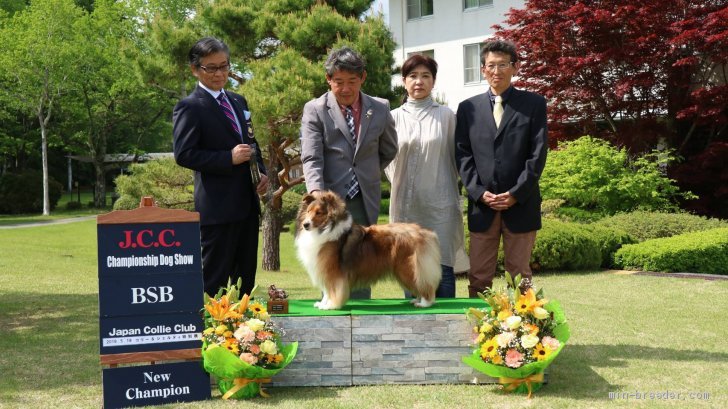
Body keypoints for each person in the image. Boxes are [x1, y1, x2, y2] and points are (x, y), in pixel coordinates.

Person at [300, 46, 398, 299]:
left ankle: (361, 319)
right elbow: (311, 156)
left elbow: (389, 149)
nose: (345, 88)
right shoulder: (316, 109)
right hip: (329, 204)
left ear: (362, 77)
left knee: (361, 263)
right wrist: (317, 195)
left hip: (365, 199)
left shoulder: (380, 108)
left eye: (352, 81)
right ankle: (333, 310)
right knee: (330, 262)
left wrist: (367, 174)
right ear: (328, 79)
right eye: (339, 82)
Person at [173, 37, 268, 297]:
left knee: (246, 283)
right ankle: (210, 336)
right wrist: (227, 158)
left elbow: (251, 143)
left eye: (224, 66)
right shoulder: (189, 107)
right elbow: (184, 154)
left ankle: (247, 336)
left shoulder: (239, 101)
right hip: (217, 210)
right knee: (213, 283)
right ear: (195, 69)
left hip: (247, 206)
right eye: (211, 68)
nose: (219, 73)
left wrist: (261, 171)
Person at [454, 39, 548, 297]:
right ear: (483, 69)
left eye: (503, 65)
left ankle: (520, 333)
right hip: (483, 206)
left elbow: (537, 154)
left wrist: (516, 193)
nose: (497, 71)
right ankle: (481, 333)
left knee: (520, 275)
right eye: (491, 65)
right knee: (479, 276)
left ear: (515, 67)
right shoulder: (467, 109)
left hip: (521, 204)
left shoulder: (534, 104)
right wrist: (478, 192)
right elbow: (462, 155)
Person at [384, 54, 464, 298]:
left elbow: (459, 158)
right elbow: (386, 161)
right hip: (406, 207)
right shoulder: (392, 118)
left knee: (443, 267)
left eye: (425, 76)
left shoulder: (447, 116)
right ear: (404, 81)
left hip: (441, 204)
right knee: (411, 266)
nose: (419, 81)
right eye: (413, 76)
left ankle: (447, 328)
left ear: (434, 81)